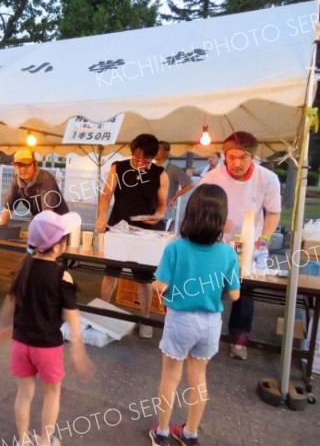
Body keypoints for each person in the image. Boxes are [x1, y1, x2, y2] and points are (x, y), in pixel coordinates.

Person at [149, 184, 240, 446]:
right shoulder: (228, 253)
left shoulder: (175, 248)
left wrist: (159, 283)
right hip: (210, 323)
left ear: (191, 213)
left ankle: (163, 433)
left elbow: (161, 285)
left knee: (170, 377)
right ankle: (190, 433)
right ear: (221, 217)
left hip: (180, 320)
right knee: (198, 378)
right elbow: (234, 295)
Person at [0, 210, 93, 446]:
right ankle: (46, 441)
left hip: (20, 344)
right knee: (51, 394)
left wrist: (3, 327)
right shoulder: (62, 275)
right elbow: (72, 315)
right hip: (47, 348)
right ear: (58, 246)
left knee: (24, 394)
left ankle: (24, 440)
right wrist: (78, 348)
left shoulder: (23, 269)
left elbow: (10, 301)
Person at [201, 131, 281, 360]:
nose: (236, 163)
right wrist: (215, 225)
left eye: (243, 158)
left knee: (245, 292)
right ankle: (207, 334)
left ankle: (238, 340)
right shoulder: (212, 178)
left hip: (249, 244)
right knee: (212, 289)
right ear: (225, 156)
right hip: (216, 243)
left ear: (253, 157)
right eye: (232, 157)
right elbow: (200, 208)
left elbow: (274, 213)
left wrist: (264, 239)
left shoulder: (267, 179)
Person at [95, 133, 169, 339]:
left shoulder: (160, 174)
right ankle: (102, 312)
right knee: (111, 272)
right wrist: (102, 217)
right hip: (119, 227)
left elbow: (162, 205)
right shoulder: (118, 168)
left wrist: (157, 216)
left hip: (145, 233)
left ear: (154, 156)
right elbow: (106, 195)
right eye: (136, 157)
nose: (139, 162)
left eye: (145, 159)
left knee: (143, 278)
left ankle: (145, 318)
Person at [0, 148, 68, 237]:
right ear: (14, 167)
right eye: (19, 165)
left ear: (34, 165)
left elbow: (48, 212)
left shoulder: (46, 180)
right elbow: (7, 208)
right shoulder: (16, 182)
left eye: (26, 165)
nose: (22, 169)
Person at [155, 141, 194, 226]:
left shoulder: (173, 169)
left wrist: (174, 197)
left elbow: (190, 184)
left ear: (166, 152)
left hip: (163, 214)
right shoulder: (150, 168)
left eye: (158, 149)